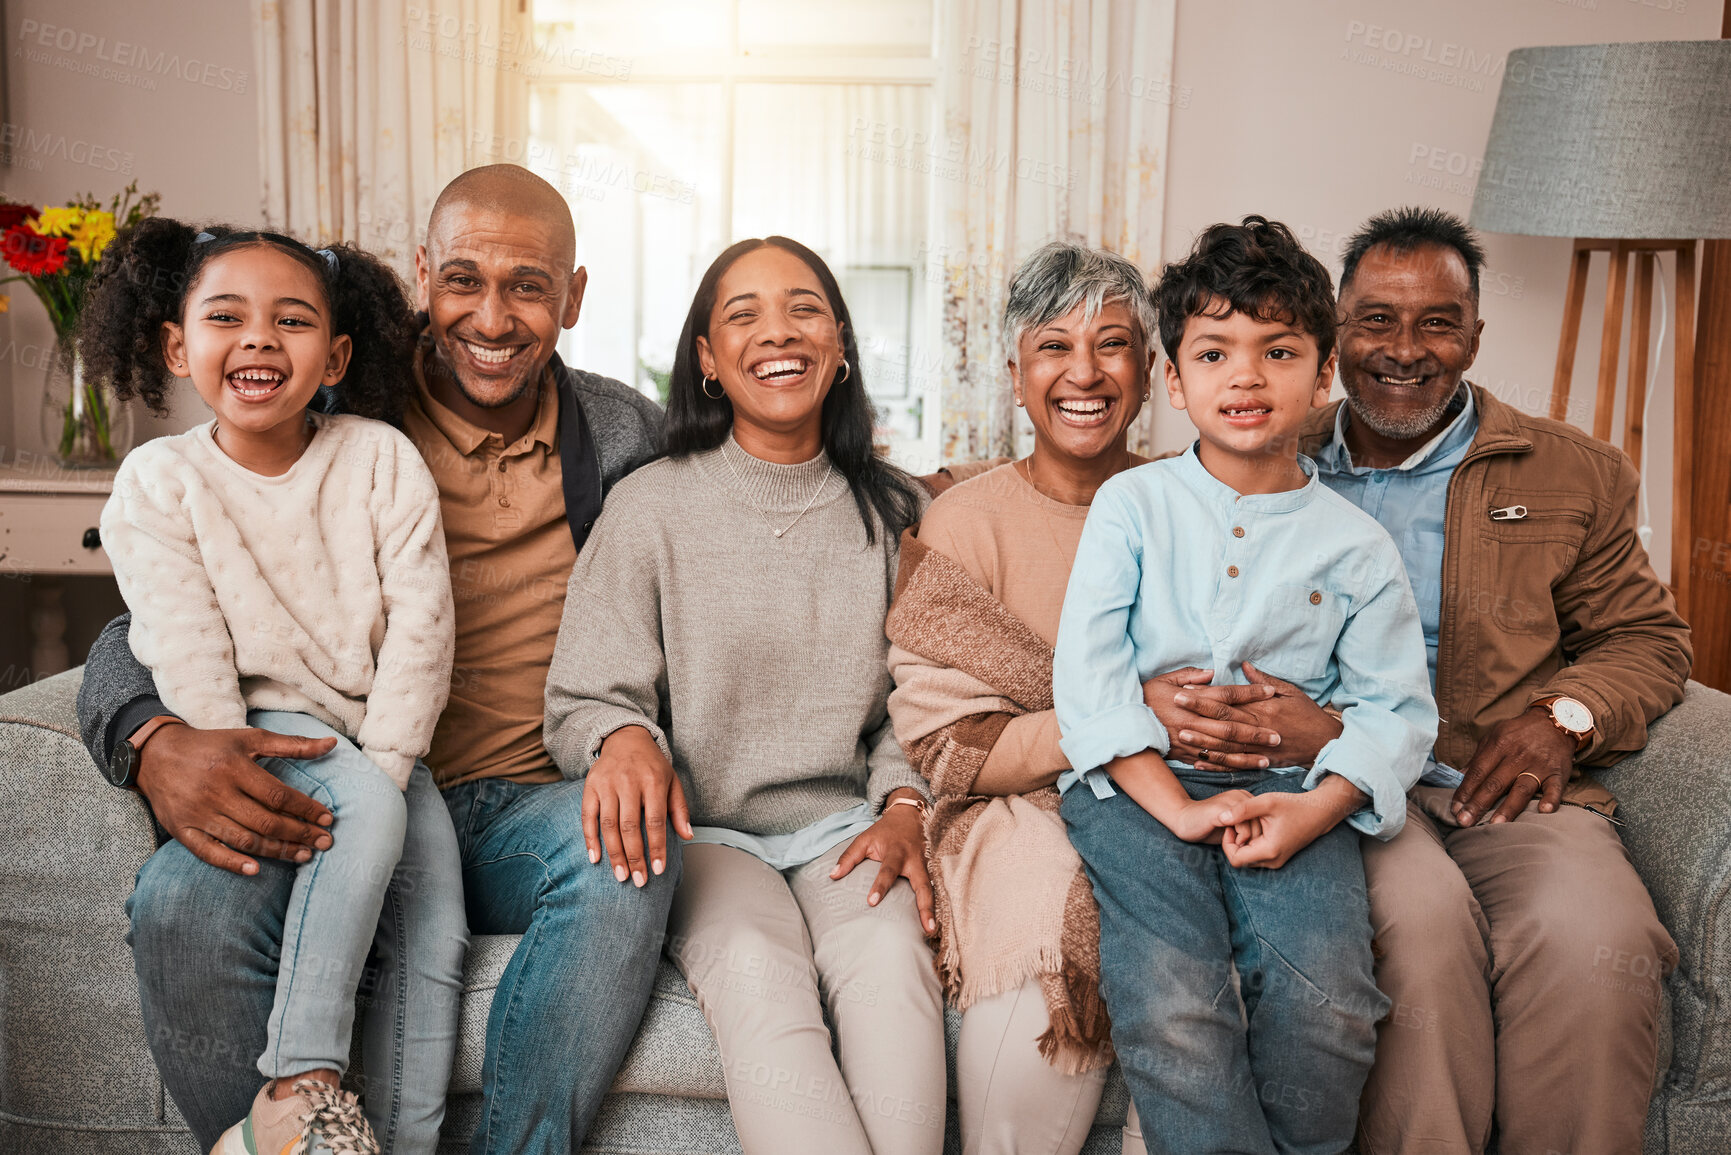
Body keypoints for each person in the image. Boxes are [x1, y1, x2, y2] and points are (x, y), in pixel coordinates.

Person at [74, 165, 673, 1155]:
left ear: (572, 297)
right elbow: (158, 608)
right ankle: (282, 1138)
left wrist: (916, 510)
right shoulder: (345, 412)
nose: (493, 316)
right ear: (423, 275)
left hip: (529, 797)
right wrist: (146, 733)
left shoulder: (623, 437)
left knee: (631, 855)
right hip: (338, 772)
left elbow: (735, 531)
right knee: (179, 902)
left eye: (529, 284)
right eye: (465, 279)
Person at [543, 236, 945, 1155]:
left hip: (848, 827)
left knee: (892, 967)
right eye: (744, 315)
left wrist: (906, 802)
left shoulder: (896, 513)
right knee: (761, 974)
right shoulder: (648, 507)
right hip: (707, 836)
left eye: (804, 309)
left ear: (839, 346)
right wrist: (622, 737)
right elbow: (580, 700)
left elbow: (921, 703)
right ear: (708, 360)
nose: (779, 332)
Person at [1054, 217, 1439, 1155]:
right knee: (1178, 1003)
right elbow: (1089, 675)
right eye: (1215, 351)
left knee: (1330, 1006)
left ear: (1322, 377)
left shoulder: (1355, 544)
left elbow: (1396, 711)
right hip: (1136, 788)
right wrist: (1176, 810)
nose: (1247, 375)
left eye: (1278, 351)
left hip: (1296, 794)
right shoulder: (1131, 506)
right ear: (1175, 382)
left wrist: (1321, 808)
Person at [1301, 207, 1680, 1155]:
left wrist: (1562, 715)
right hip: (1346, 787)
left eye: (1437, 321)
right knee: (1419, 948)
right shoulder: (1268, 455)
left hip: (1506, 790)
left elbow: (1646, 638)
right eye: (1375, 321)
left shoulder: (1570, 471)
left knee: (1601, 943)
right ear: (1334, 334)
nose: (1405, 350)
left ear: (1474, 333)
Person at [84, 218, 463, 1155]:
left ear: (333, 355)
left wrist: (386, 766)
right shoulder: (158, 479)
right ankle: (298, 1086)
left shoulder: (378, 458)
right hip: (258, 737)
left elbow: (424, 625)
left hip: (378, 747)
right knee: (368, 819)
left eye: (291, 321)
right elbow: (175, 637)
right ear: (179, 346)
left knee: (436, 934)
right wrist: (222, 752)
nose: (258, 337)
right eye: (226, 317)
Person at [885, 240, 1156, 1155]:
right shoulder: (963, 521)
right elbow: (951, 748)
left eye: (1111, 344)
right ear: (1014, 374)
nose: (1083, 373)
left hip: (1175, 794)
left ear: (1149, 371)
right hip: (1011, 807)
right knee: (1043, 901)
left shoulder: (1190, 506)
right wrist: (1121, 715)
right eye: (1052, 347)